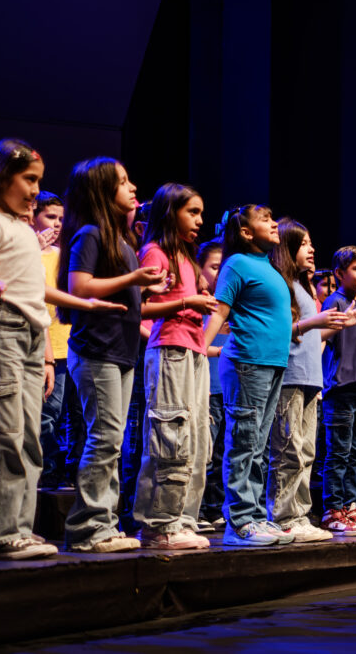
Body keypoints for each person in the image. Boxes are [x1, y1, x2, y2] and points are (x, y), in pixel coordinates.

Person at [58, 157, 167, 553]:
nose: (133, 187)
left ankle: (103, 523)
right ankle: (87, 528)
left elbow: (130, 303)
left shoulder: (124, 242)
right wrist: (136, 278)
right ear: (104, 193)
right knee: (104, 439)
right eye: (123, 182)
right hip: (96, 351)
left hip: (121, 352)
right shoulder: (90, 234)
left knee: (113, 441)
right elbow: (80, 285)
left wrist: (157, 294)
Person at [132, 183, 217, 550]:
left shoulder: (186, 256)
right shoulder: (155, 252)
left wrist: (198, 302)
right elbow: (139, 307)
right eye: (192, 212)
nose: (199, 220)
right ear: (171, 213)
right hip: (170, 350)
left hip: (194, 351)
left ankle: (183, 518)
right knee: (171, 436)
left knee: (198, 439)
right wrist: (186, 303)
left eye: (200, 212)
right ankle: (157, 523)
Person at [203, 204, 293, 547]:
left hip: (271, 363)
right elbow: (218, 311)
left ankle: (255, 516)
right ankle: (239, 521)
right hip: (247, 364)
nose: (274, 224)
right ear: (244, 232)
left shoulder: (266, 265)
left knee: (257, 445)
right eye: (266, 220)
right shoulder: (237, 263)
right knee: (244, 442)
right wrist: (199, 350)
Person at [268, 220, 354, 542]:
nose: (312, 249)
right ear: (288, 248)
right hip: (290, 376)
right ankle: (283, 516)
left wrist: (340, 323)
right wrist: (314, 321)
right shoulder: (282, 286)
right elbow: (280, 332)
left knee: (305, 451)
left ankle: (300, 514)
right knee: (288, 449)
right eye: (304, 244)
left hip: (310, 380)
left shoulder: (302, 288)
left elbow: (312, 333)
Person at [318, 245, 356, 536]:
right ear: (340, 273)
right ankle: (332, 510)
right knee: (339, 454)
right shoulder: (335, 302)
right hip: (341, 388)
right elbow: (320, 341)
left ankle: (350, 508)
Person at [32, 191, 70, 488]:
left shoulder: (63, 255)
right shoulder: (31, 254)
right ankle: (44, 469)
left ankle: (52, 467)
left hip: (67, 344)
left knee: (59, 414)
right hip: (44, 346)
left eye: (61, 218)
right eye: (50, 217)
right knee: (45, 412)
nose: (57, 224)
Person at [197, 237, 228, 529]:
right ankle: (196, 510)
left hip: (227, 388)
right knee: (203, 454)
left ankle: (214, 508)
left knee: (220, 455)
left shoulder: (231, 303)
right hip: (206, 385)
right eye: (214, 267)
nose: (220, 273)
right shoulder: (201, 302)